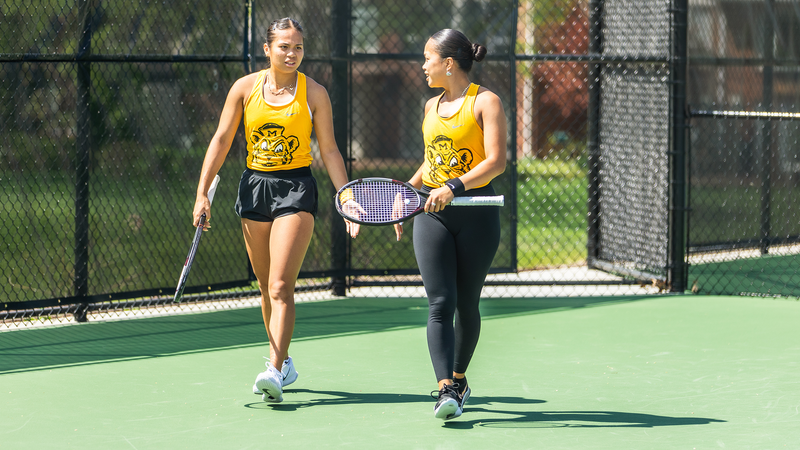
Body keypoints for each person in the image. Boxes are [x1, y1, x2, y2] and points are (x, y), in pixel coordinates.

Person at [192, 17, 359, 403]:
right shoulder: (244, 88)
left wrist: (346, 197)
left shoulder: (314, 92)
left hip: (296, 189)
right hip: (254, 188)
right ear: (267, 49)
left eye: (298, 47)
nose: (292, 53)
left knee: (282, 285)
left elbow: (330, 149)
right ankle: (283, 364)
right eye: (284, 46)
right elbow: (220, 140)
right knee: (266, 287)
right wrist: (202, 193)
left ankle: (273, 369)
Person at [394, 29, 506, 420]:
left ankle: (460, 378)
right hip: (433, 216)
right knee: (440, 302)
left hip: (477, 214)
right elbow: (433, 160)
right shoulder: (430, 107)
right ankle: (445, 390)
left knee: (467, 303)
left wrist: (453, 188)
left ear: (449, 63)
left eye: (428, 58)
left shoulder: (485, 102)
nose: (423, 65)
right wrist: (410, 190)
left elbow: (495, 161)